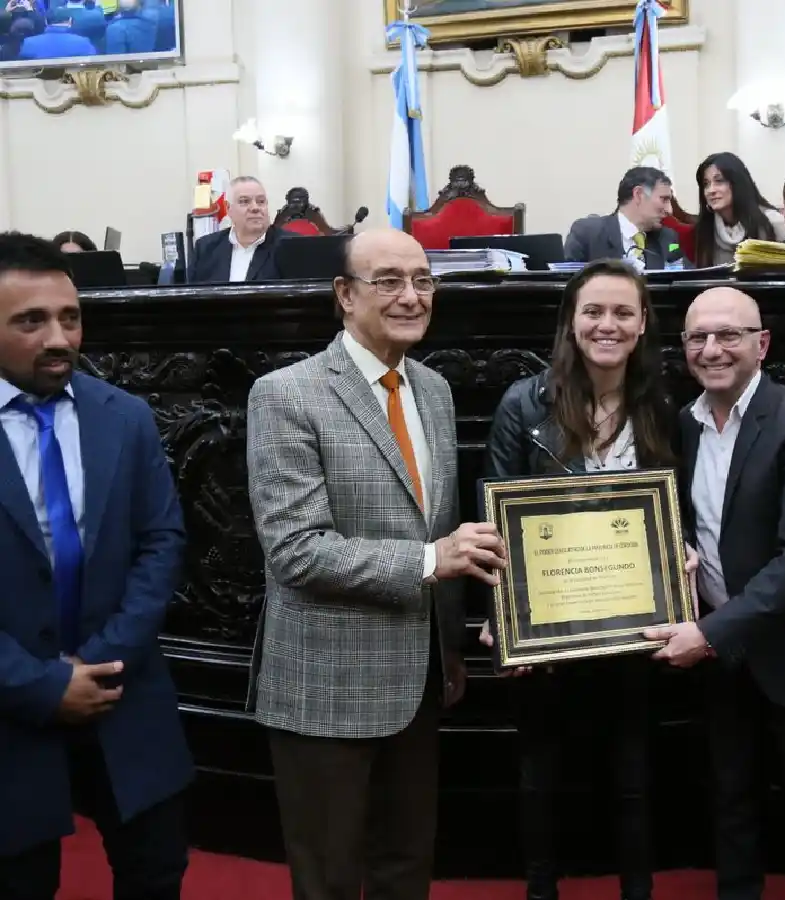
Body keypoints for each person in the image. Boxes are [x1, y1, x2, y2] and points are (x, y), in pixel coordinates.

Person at [245, 228, 506, 900]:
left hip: (418, 683)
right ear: (344, 295)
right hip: (325, 688)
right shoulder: (286, 395)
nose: (411, 296)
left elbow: (439, 524)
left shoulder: (434, 391)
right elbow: (297, 550)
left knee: (405, 870)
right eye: (388, 280)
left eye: (422, 280)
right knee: (328, 880)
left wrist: (447, 651)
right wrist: (430, 560)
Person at [479, 259, 694, 900]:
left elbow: (674, 510)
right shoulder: (524, 403)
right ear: (572, 324)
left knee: (633, 775)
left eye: (623, 312)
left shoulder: (661, 404)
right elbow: (494, 516)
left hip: (634, 623)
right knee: (540, 776)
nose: (608, 324)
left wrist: (677, 560)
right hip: (546, 627)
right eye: (593, 312)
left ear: (642, 323)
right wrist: (503, 617)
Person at [646, 286, 785, 900]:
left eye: (729, 335)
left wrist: (710, 632)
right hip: (721, 655)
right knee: (731, 803)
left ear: (761, 344)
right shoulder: (679, 425)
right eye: (698, 337)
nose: (712, 349)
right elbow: (684, 521)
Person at [0, 231, 192, 900]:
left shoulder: (126, 417)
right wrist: (43, 684)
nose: (59, 337)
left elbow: (162, 541)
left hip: (126, 695)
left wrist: (106, 663)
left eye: (70, 317)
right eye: (31, 321)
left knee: (156, 873)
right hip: (10, 706)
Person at [563, 167, 686, 270]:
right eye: (664, 199)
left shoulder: (668, 238)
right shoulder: (587, 234)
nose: (669, 210)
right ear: (638, 195)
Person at [692, 152, 785, 268]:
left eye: (719, 181)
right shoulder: (706, 228)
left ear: (738, 183)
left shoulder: (772, 222)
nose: (711, 190)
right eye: (706, 184)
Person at [188, 176, 282, 284]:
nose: (255, 208)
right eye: (245, 201)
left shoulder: (290, 246)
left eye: (261, 201)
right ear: (228, 208)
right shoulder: (206, 248)